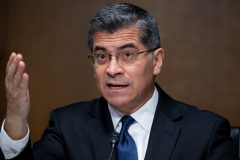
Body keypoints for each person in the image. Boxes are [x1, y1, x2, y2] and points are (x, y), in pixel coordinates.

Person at [0, 3, 238, 160]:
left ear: (157, 61)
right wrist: (15, 119)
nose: (112, 69)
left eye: (128, 54)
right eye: (102, 56)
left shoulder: (205, 132)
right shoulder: (67, 126)